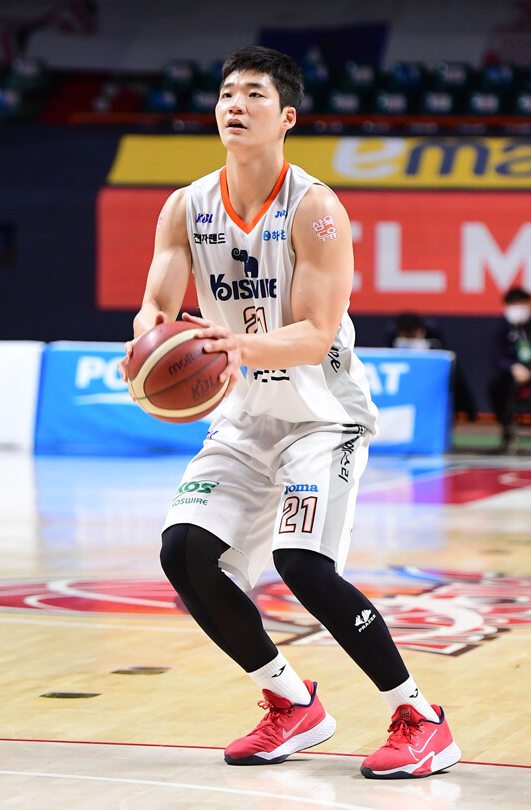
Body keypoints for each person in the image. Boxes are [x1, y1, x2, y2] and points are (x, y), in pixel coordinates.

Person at [119, 45, 460, 779]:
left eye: (254, 95)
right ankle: (290, 702)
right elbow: (156, 304)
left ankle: (421, 718)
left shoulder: (317, 210)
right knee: (184, 551)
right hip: (244, 419)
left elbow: (314, 333)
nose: (235, 105)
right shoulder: (185, 207)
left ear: (287, 118)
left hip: (322, 417)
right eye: (226, 93)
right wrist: (148, 342)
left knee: (301, 562)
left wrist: (231, 344)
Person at [386, 312, 477, 421]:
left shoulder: (436, 345)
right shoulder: (391, 341)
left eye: (412, 335)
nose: (410, 340)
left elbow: (459, 383)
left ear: (421, 331)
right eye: (406, 336)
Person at [488, 287, 531, 451]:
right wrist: (513, 367)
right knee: (495, 385)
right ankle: (507, 429)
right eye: (515, 304)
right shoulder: (500, 326)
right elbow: (495, 356)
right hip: (511, 374)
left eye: (522, 303)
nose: (519, 308)